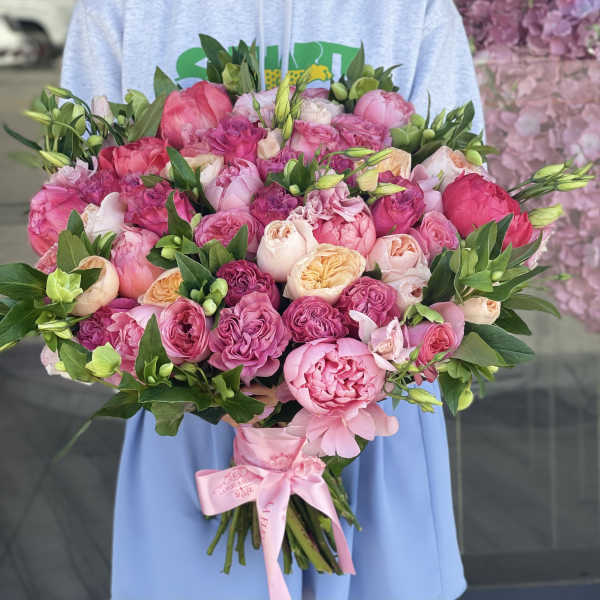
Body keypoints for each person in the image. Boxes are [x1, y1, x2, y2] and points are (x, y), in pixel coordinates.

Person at [61, 1, 483, 598]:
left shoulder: (410, 9)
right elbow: (83, 198)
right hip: (195, 405)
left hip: (371, 406)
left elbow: (464, 187)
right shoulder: (121, 8)